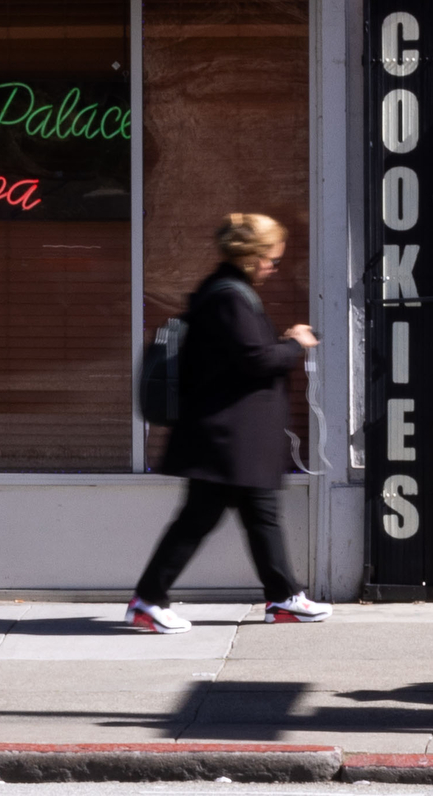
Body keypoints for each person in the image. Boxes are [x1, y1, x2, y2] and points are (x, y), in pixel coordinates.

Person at [126, 213, 332, 633]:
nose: (276, 266)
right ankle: (148, 601)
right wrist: (295, 343)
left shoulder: (224, 292)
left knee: (260, 515)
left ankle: (284, 597)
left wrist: (280, 345)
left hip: (232, 435)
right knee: (202, 518)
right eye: (272, 258)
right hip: (226, 436)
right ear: (252, 257)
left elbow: (240, 356)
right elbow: (255, 360)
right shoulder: (230, 298)